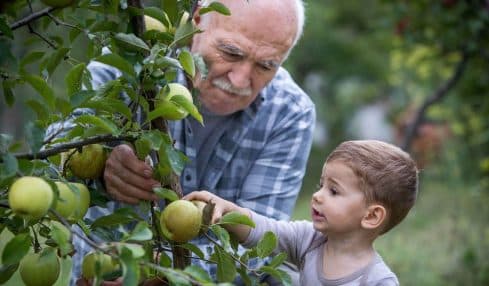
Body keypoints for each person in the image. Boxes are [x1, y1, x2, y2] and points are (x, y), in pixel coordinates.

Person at [64, 0, 315, 284]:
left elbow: (262, 247)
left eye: (267, 65)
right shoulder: (127, 67)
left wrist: (164, 274)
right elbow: (60, 145)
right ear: (198, 21)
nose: (241, 78)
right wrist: (101, 157)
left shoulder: (290, 111)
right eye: (231, 52)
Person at [185, 140, 419, 286]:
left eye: (334, 191)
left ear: (371, 216)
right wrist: (226, 210)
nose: (317, 196)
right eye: (321, 186)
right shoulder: (309, 240)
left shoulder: (377, 280)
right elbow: (263, 229)